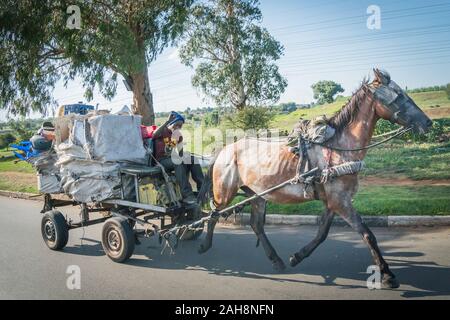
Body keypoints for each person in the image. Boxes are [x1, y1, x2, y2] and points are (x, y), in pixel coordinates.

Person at [150, 112, 204, 205]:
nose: (178, 127)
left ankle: (203, 190)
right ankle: (187, 195)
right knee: (177, 162)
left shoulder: (177, 136)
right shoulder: (163, 131)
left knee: (192, 159)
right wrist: (167, 121)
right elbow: (153, 135)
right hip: (160, 161)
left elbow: (181, 152)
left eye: (180, 126)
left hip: (171, 159)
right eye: (176, 124)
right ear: (171, 123)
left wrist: (187, 157)